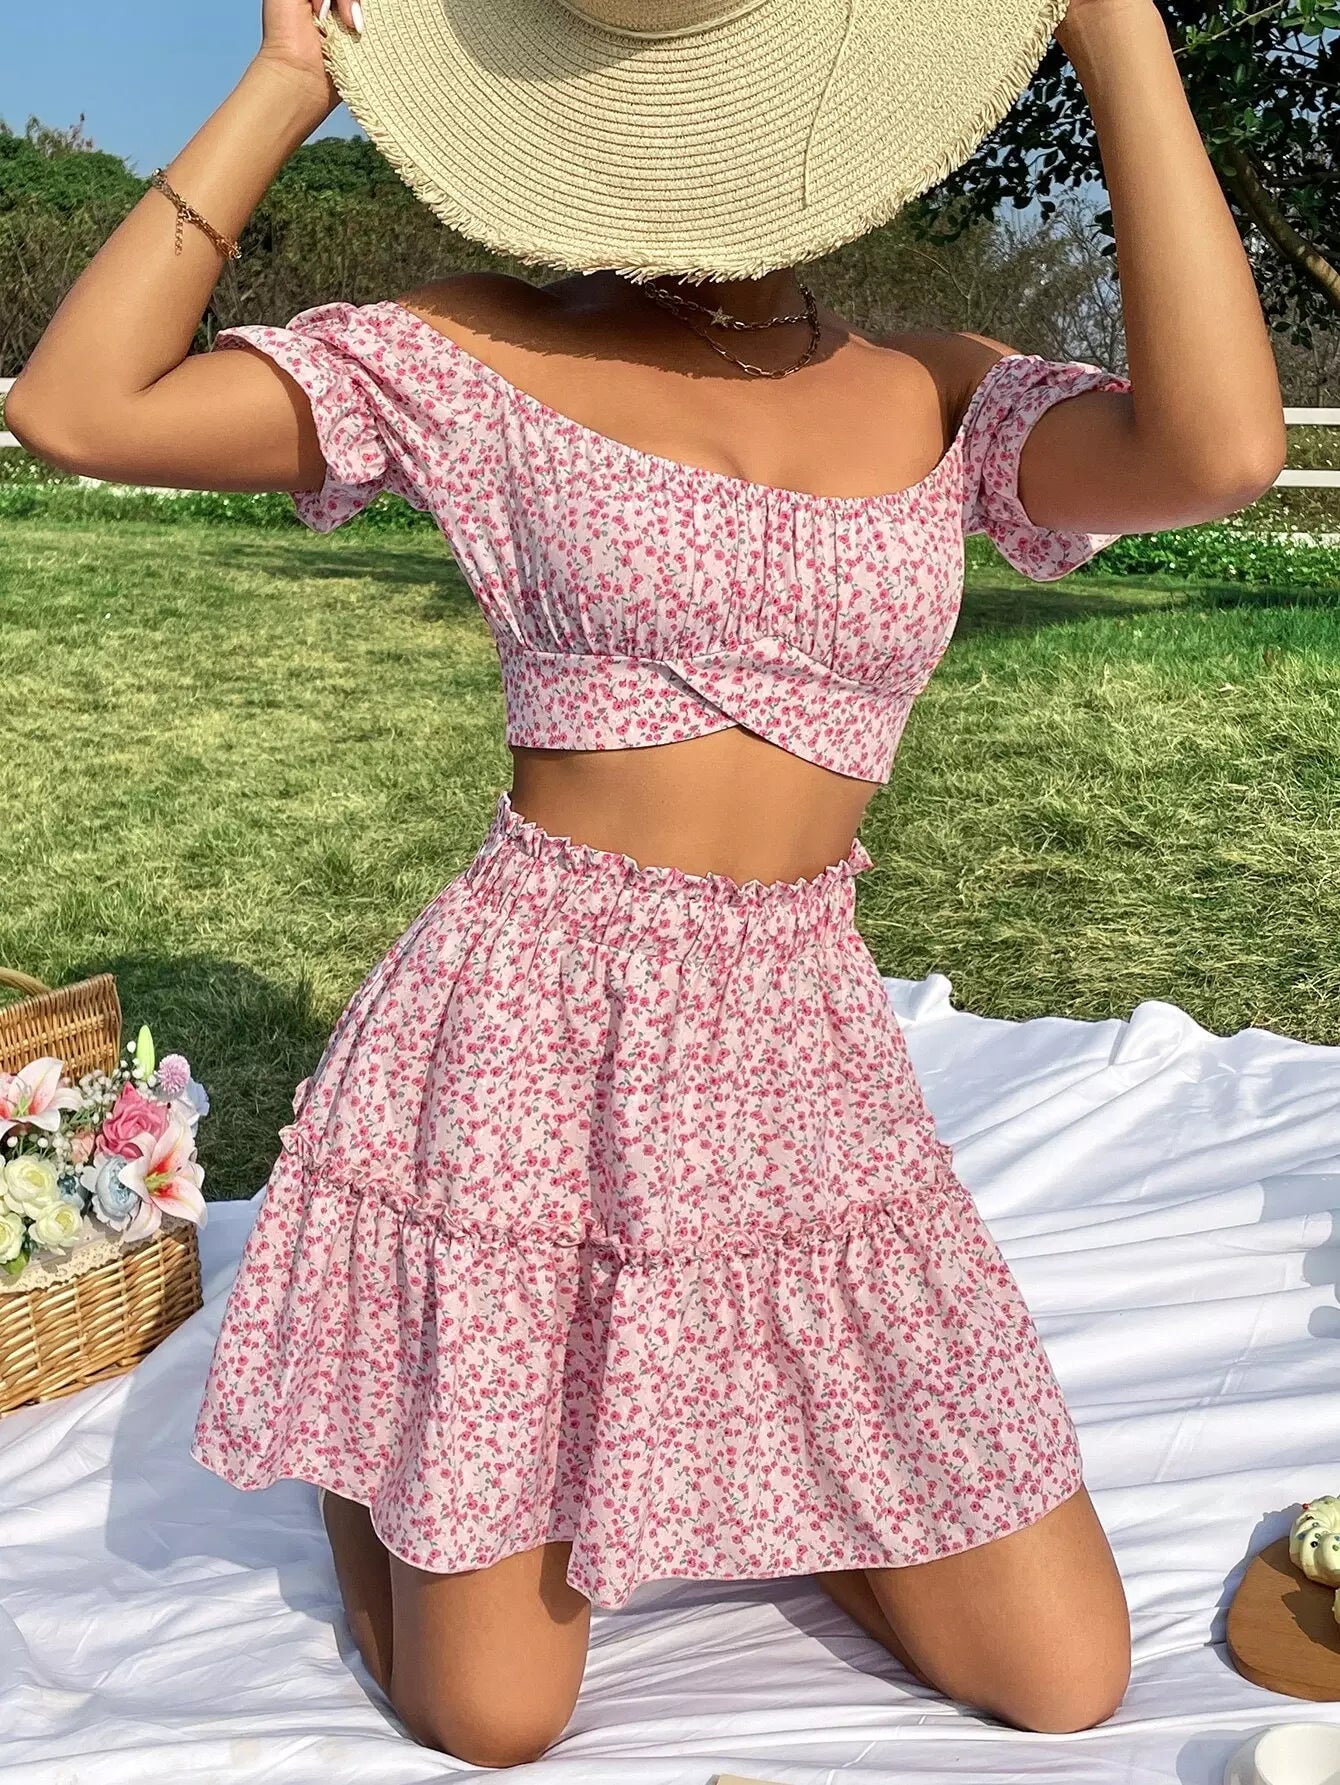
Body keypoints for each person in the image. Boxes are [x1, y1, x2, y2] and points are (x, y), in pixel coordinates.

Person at [7, 0, 1286, 1763]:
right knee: (492, 1719)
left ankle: (744, 1471)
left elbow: (1221, 452)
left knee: (1065, 1678)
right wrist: (288, 82)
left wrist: (1119, 34)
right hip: (525, 1038)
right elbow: (75, 409)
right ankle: (381, 1449)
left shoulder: (943, 388)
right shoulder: (470, 349)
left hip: (801, 1045)